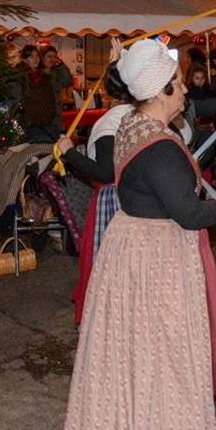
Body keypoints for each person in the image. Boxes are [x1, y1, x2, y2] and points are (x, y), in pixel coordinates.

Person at [62, 39, 216, 430]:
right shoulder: (158, 146)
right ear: (159, 92)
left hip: (131, 245)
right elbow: (189, 212)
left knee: (137, 352)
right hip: (157, 253)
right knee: (170, 352)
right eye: (178, 86)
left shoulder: (130, 126)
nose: (184, 93)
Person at [54, 61, 134, 324]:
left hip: (116, 203)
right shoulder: (144, 116)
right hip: (144, 198)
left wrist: (69, 153)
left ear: (109, 91)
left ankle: (108, 319)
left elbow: (105, 173)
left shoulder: (109, 123)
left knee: (109, 267)